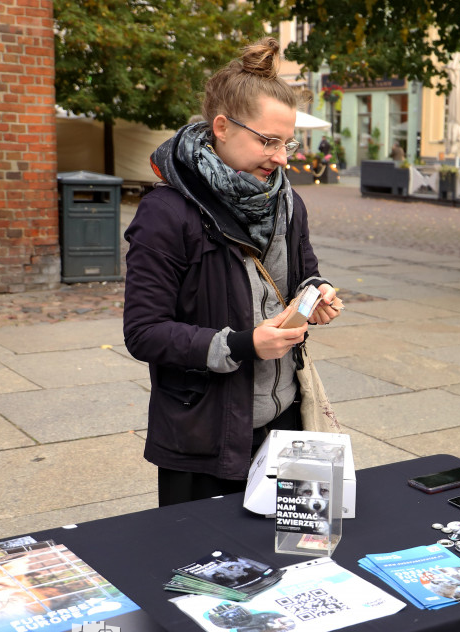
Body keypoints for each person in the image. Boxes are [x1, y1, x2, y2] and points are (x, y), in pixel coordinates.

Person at [123, 37, 342, 507]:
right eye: (268, 141)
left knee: (291, 568)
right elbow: (144, 333)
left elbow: (304, 271)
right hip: (205, 438)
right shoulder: (165, 213)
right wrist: (244, 345)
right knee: (206, 573)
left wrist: (315, 292)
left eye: (287, 143)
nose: (283, 158)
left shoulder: (286, 200)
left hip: (286, 426)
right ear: (221, 126)